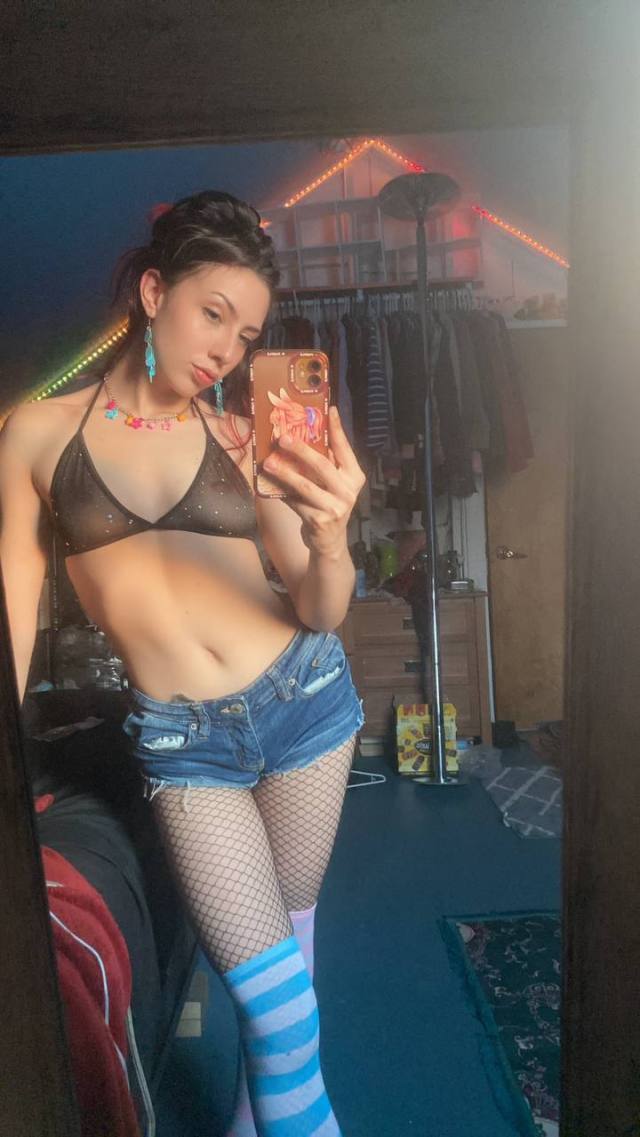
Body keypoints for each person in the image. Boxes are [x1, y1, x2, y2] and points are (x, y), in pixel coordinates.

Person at [0, 190, 366, 1137]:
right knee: (278, 1004)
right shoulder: (37, 433)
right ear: (154, 292)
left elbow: (320, 606)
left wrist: (331, 536)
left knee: (286, 965)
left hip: (304, 701)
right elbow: (14, 623)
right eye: (213, 314)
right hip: (184, 745)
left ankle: (255, 1117)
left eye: (247, 336)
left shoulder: (243, 434)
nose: (227, 351)